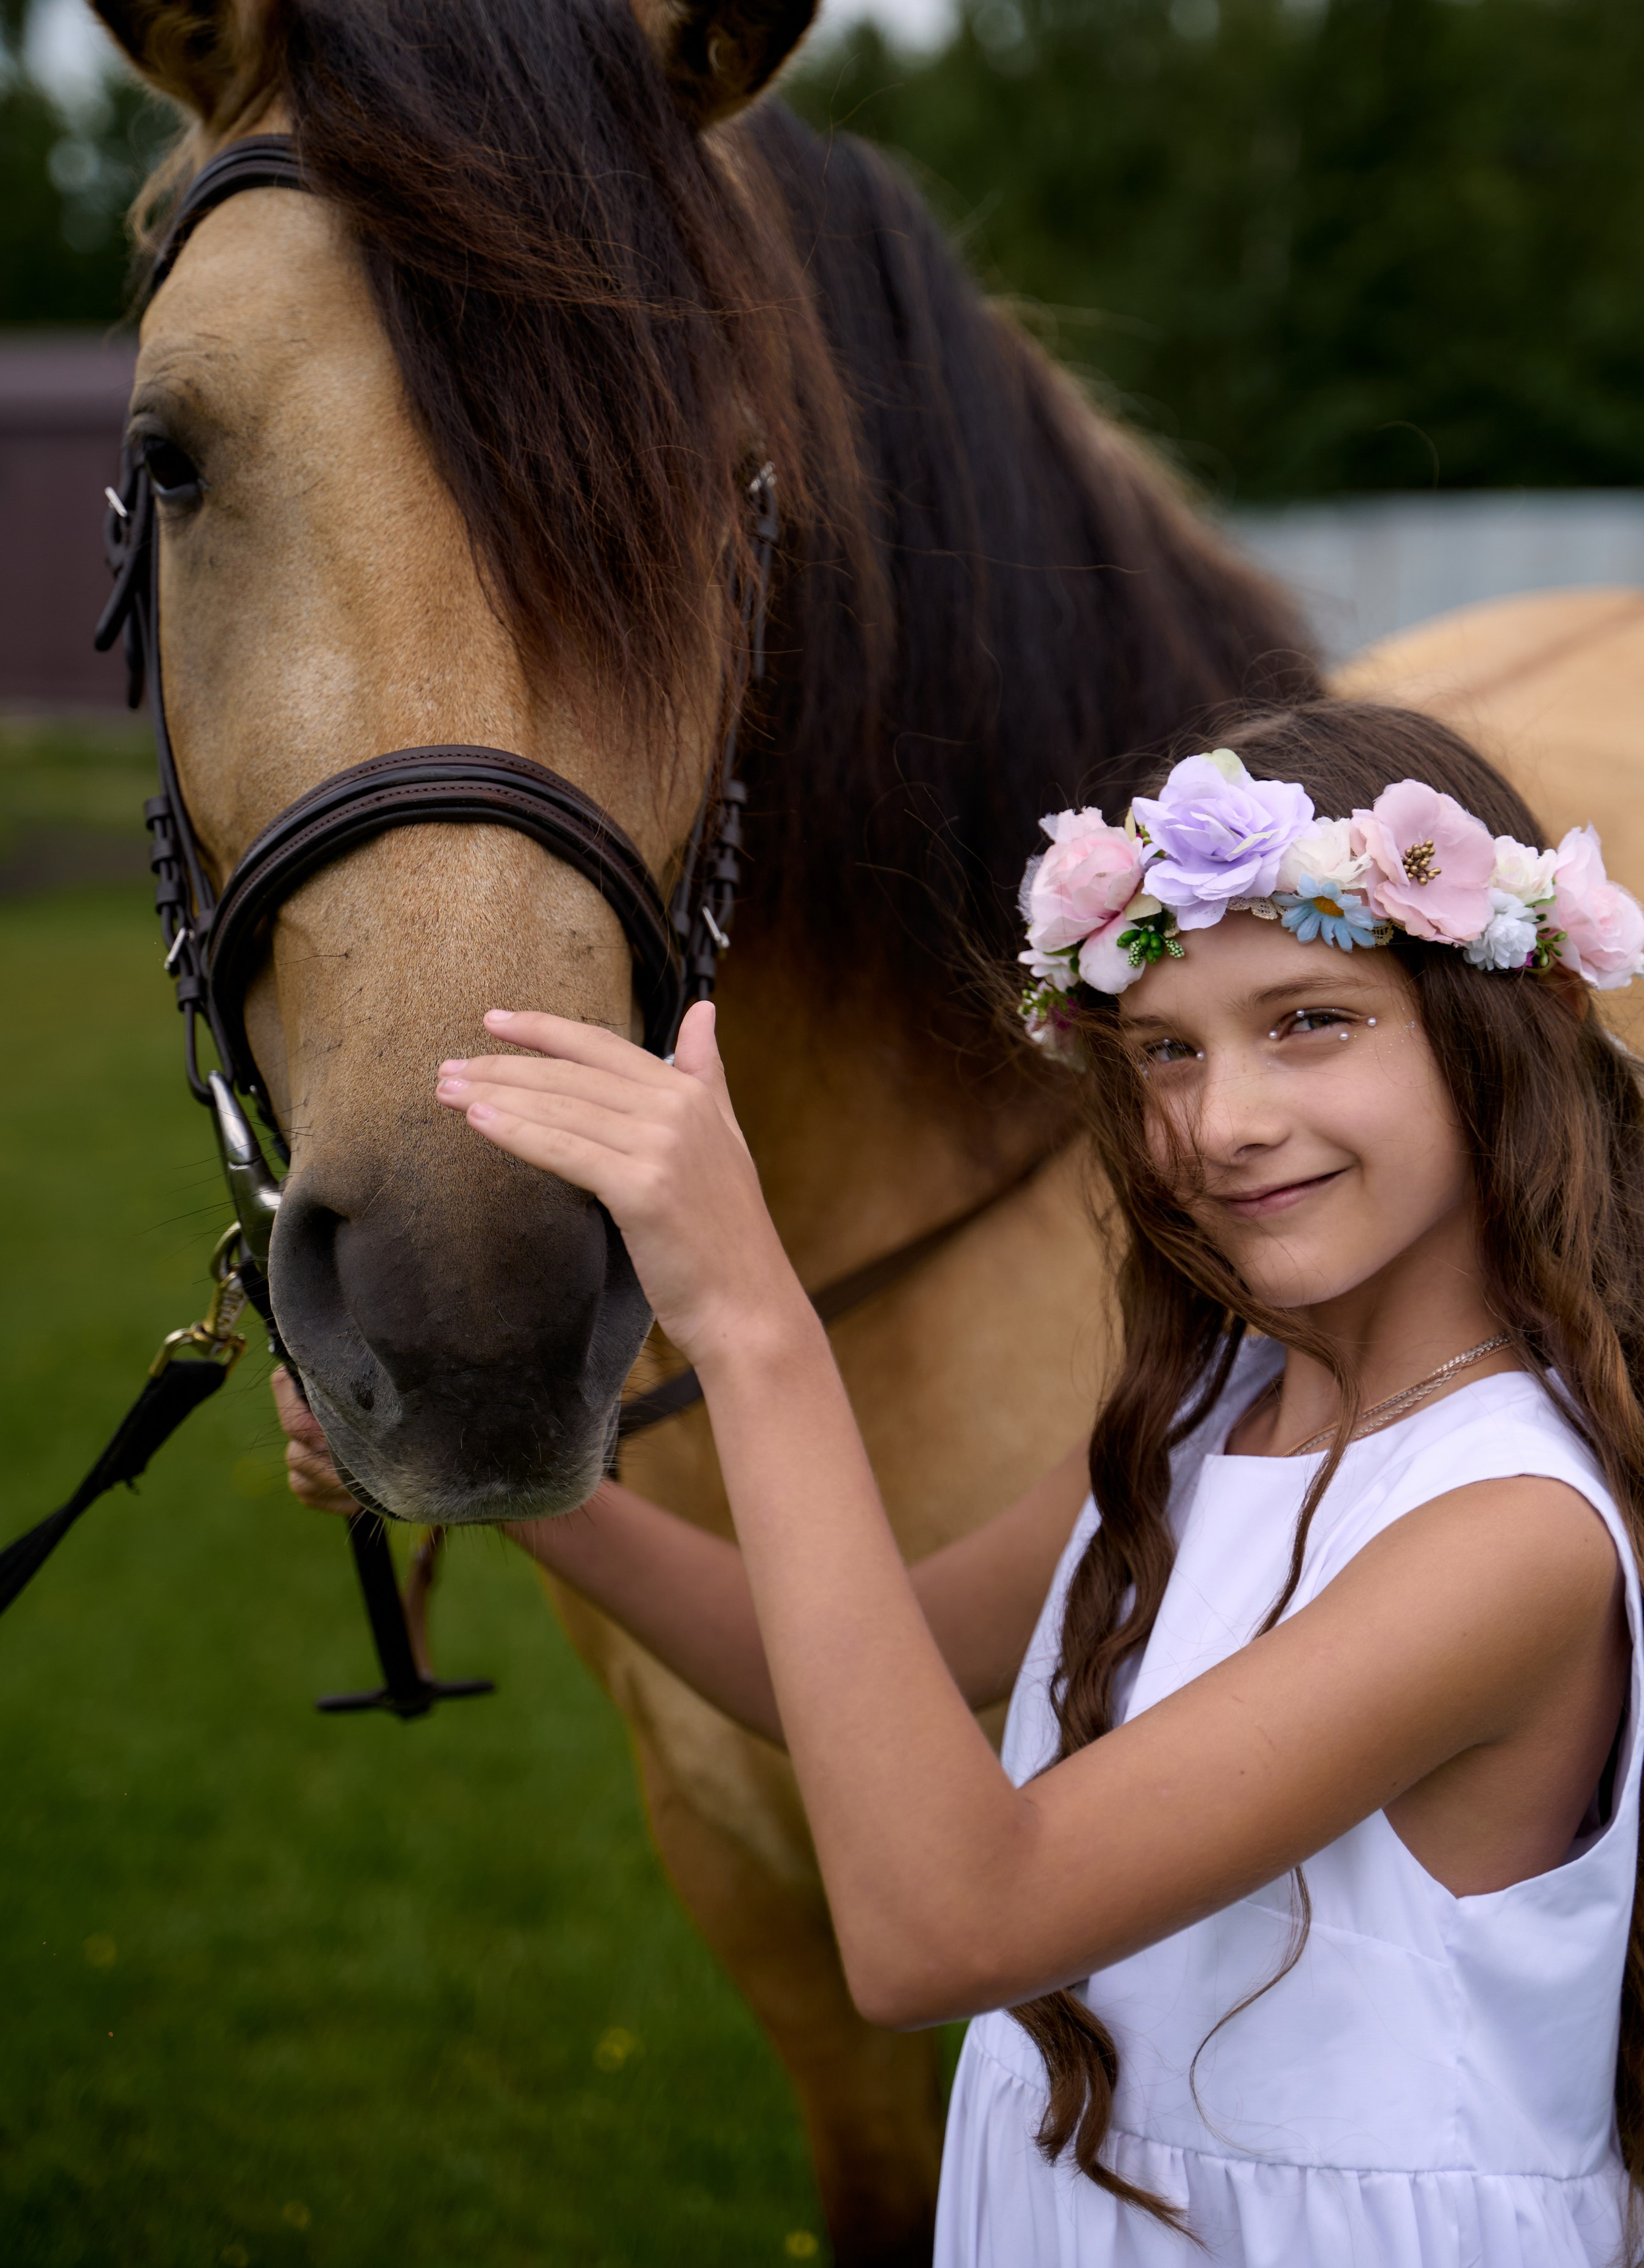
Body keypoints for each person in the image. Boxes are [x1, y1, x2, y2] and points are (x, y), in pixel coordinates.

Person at [277, 698, 1644, 2265]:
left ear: (1492, 1025)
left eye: (1309, 1021)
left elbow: (946, 1927)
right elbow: (870, 1679)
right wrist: (521, 1468)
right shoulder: (1217, 1402)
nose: (1222, 1123)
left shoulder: (1506, 1531)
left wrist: (748, 1321)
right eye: (1161, 1053)